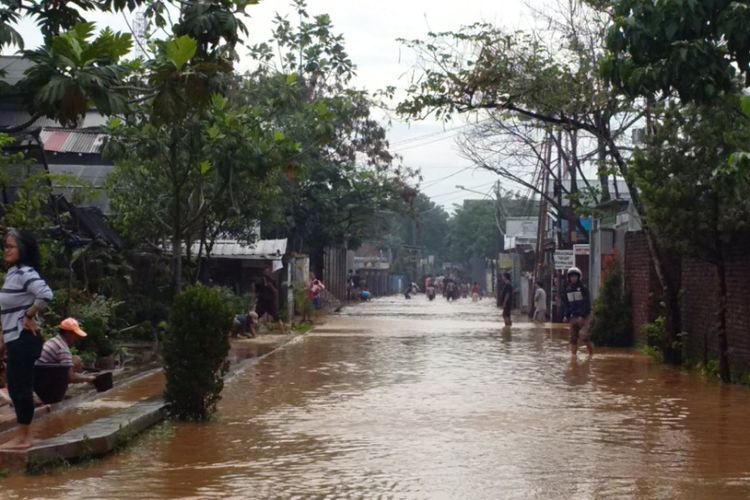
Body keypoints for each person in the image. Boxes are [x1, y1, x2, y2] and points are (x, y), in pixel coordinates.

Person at [0, 229, 53, 449]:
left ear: (22, 249)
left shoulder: (25, 273)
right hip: (15, 339)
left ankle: (24, 437)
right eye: (5, 246)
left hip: (25, 338)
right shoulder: (13, 274)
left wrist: (30, 315)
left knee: (20, 388)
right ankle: (23, 435)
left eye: (11, 246)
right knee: (15, 387)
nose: (6, 250)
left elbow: (46, 294)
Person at [36, 318, 96, 385]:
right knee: (75, 362)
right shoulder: (63, 349)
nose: (76, 338)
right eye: (75, 335)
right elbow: (71, 377)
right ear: (68, 333)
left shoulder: (53, 340)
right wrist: (89, 379)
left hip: (38, 376)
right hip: (45, 382)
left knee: (76, 360)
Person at [562, 266, 593, 357]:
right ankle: (573, 358)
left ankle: (591, 355)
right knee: (573, 338)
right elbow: (567, 305)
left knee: (584, 336)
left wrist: (582, 315)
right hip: (573, 317)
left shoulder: (583, 289)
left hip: (585, 317)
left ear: (579, 277)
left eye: (575, 276)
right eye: (571, 276)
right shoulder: (567, 290)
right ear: (569, 278)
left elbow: (587, 303)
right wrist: (565, 315)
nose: (573, 278)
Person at [255, 269, 286, 333]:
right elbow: (256, 292)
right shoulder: (259, 281)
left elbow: (276, 292)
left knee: (277, 316)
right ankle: (253, 330)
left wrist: (270, 286)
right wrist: (256, 299)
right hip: (262, 301)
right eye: (266, 273)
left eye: (269, 273)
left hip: (270, 302)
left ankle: (282, 331)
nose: (268, 274)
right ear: (264, 273)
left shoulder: (273, 281)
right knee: (256, 316)